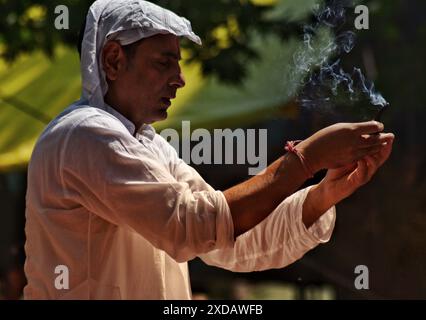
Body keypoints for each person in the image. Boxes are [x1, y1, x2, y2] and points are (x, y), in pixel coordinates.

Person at [23, 0, 394, 299]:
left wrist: (323, 194)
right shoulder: (84, 133)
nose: (179, 79)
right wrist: (305, 159)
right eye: (163, 62)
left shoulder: (149, 145)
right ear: (114, 60)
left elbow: (226, 238)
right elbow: (191, 226)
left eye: (178, 63)